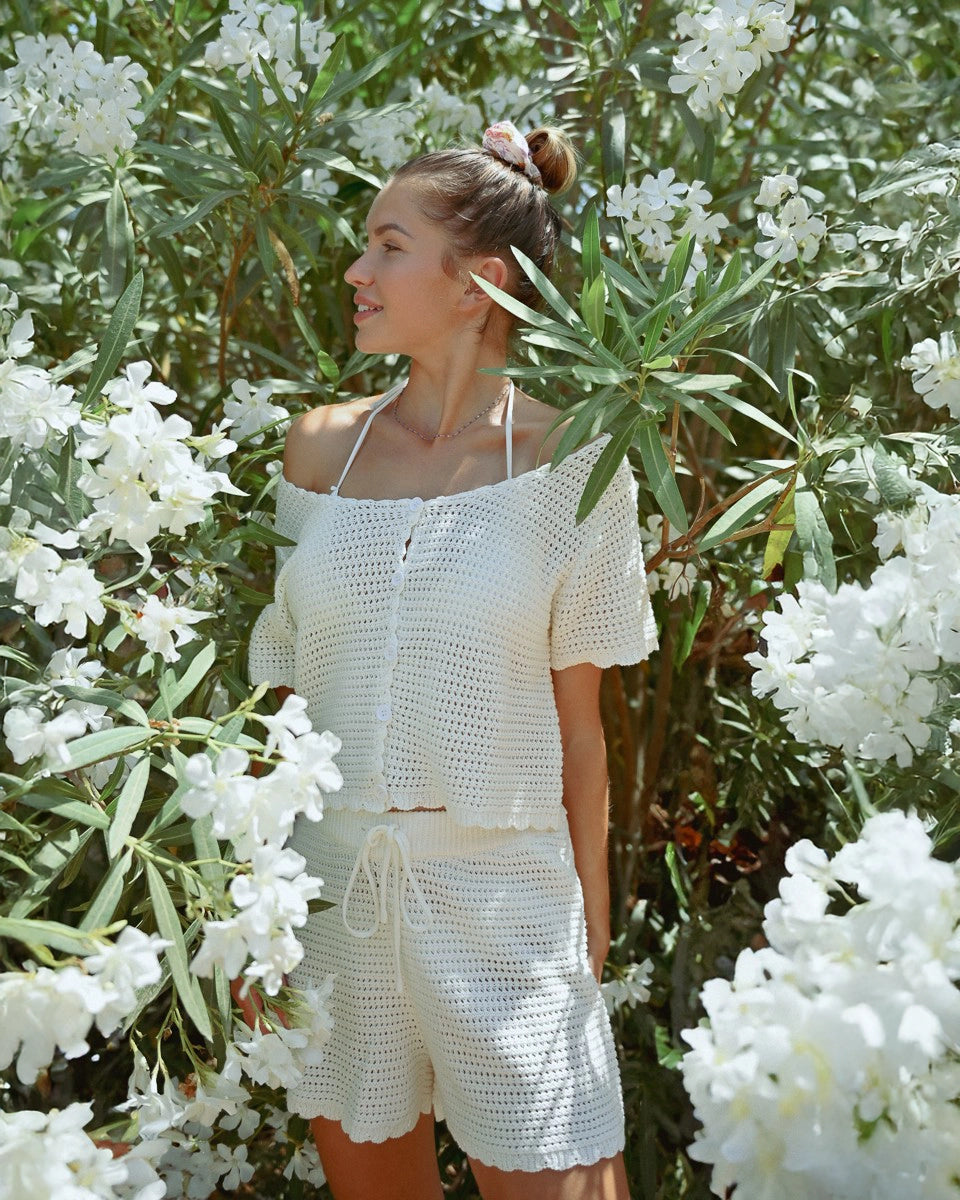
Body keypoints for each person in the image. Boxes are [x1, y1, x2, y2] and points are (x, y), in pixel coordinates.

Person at [246, 121, 658, 1200]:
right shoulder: (318, 451)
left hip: (506, 910)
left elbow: (582, 730)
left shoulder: (576, 461)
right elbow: (282, 703)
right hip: (336, 900)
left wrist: (590, 925)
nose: (356, 270)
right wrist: (254, 908)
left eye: (389, 246)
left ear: (479, 284)